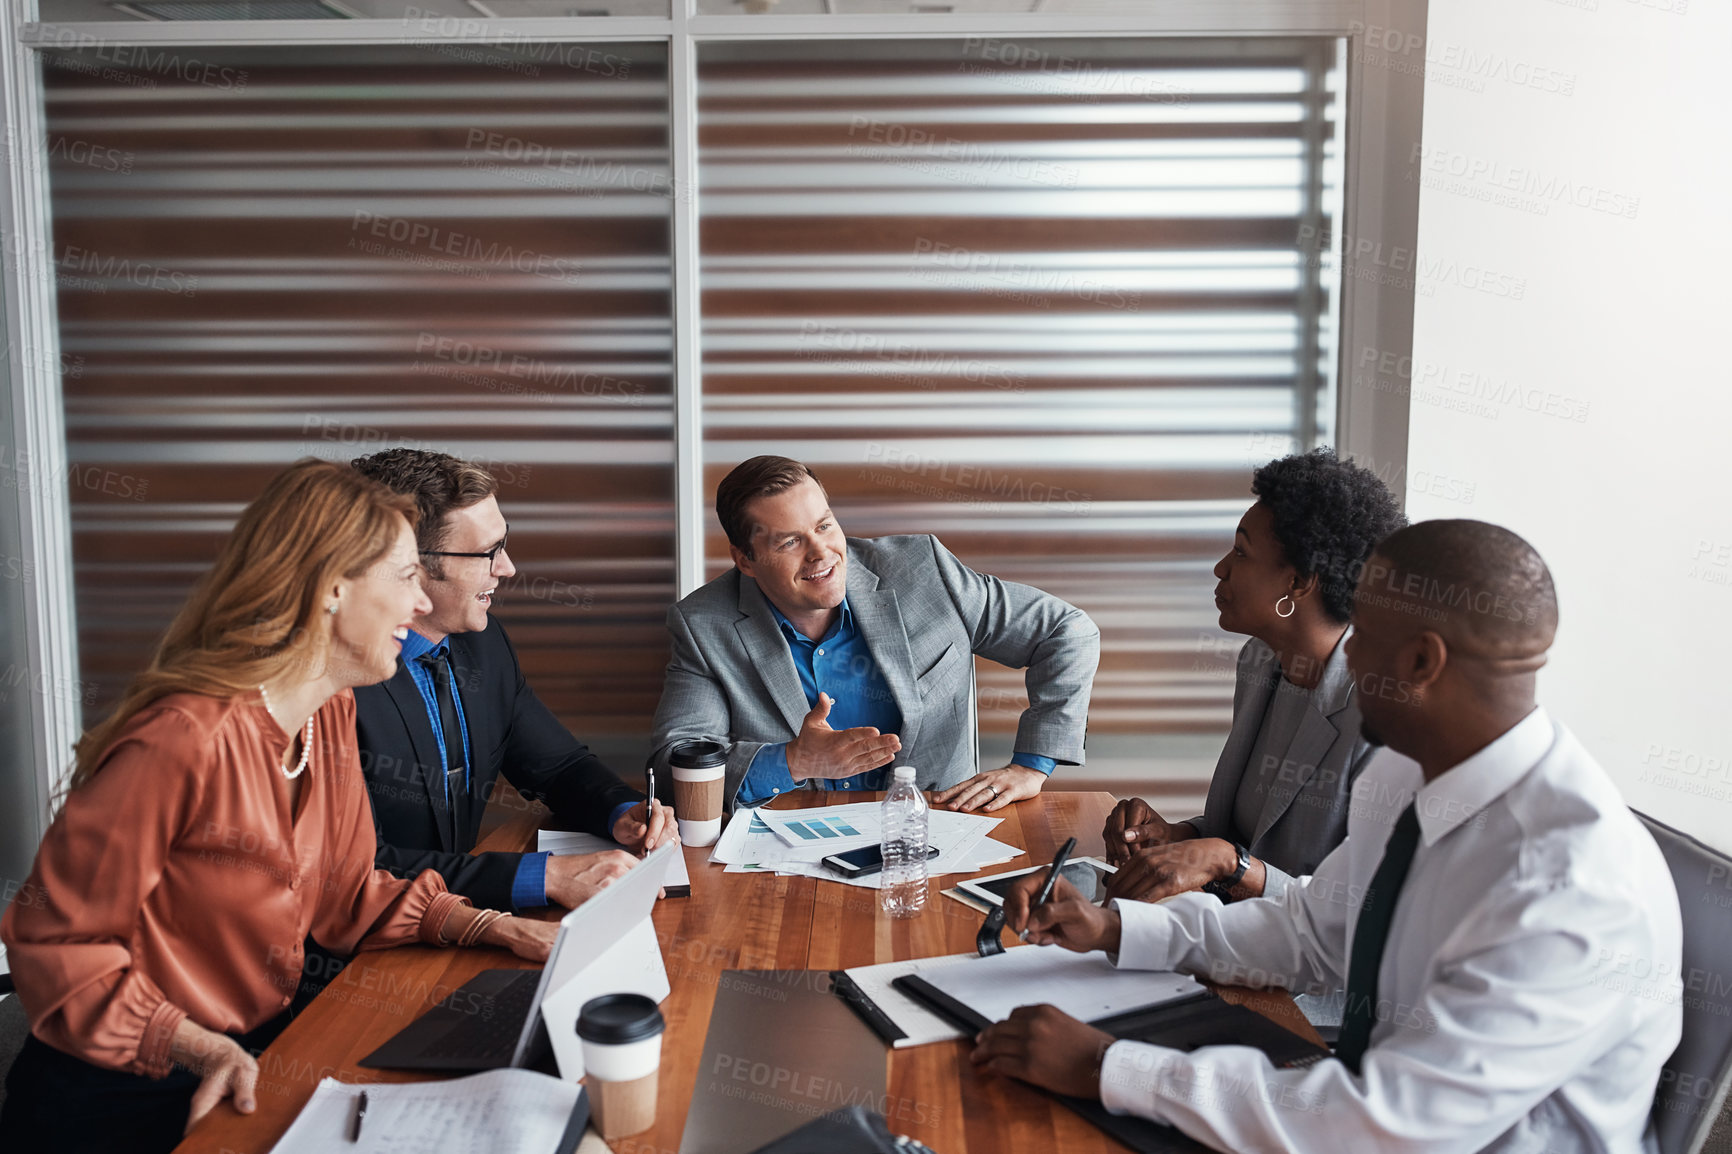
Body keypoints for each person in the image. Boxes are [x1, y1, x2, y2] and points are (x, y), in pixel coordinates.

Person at [974, 520, 1683, 1153]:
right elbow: (1314, 933)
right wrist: (1114, 929)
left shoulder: (1570, 886)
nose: (1341, 658)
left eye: (1362, 633)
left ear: (1420, 663)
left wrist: (1108, 1067)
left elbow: (1393, 1126)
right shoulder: (1413, 776)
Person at [0, 460, 559, 1154]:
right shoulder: (184, 739)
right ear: (331, 589)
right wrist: (200, 1047)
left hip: (250, 1053)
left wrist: (488, 926)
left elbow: (346, 891)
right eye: (407, 577)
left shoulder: (328, 712)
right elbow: (56, 943)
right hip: (118, 1092)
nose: (420, 606)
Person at [649, 455, 1100, 811]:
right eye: (789, 542)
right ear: (745, 560)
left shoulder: (924, 571)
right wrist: (795, 761)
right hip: (790, 861)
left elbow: (1066, 632)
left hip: (941, 832)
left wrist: (1032, 765)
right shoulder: (704, 624)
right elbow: (676, 763)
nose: (821, 552)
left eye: (824, 526)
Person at [348, 448, 675, 913]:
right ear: (411, 563)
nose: (507, 568)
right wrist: (545, 876)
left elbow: (557, 765)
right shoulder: (340, 676)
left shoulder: (482, 643)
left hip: (450, 922)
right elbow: (360, 868)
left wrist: (624, 811)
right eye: (487, 553)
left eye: (503, 544)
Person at [1103, 448, 1405, 904]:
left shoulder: (1380, 714)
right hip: (1226, 933)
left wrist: (1228, 863)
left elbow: (1360, 905)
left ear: (1299, 583)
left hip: (1303, 966)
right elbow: (1249, 834)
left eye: (1242, 552)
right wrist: (1174, 837)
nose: (1221, 567)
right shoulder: (1260, 661)